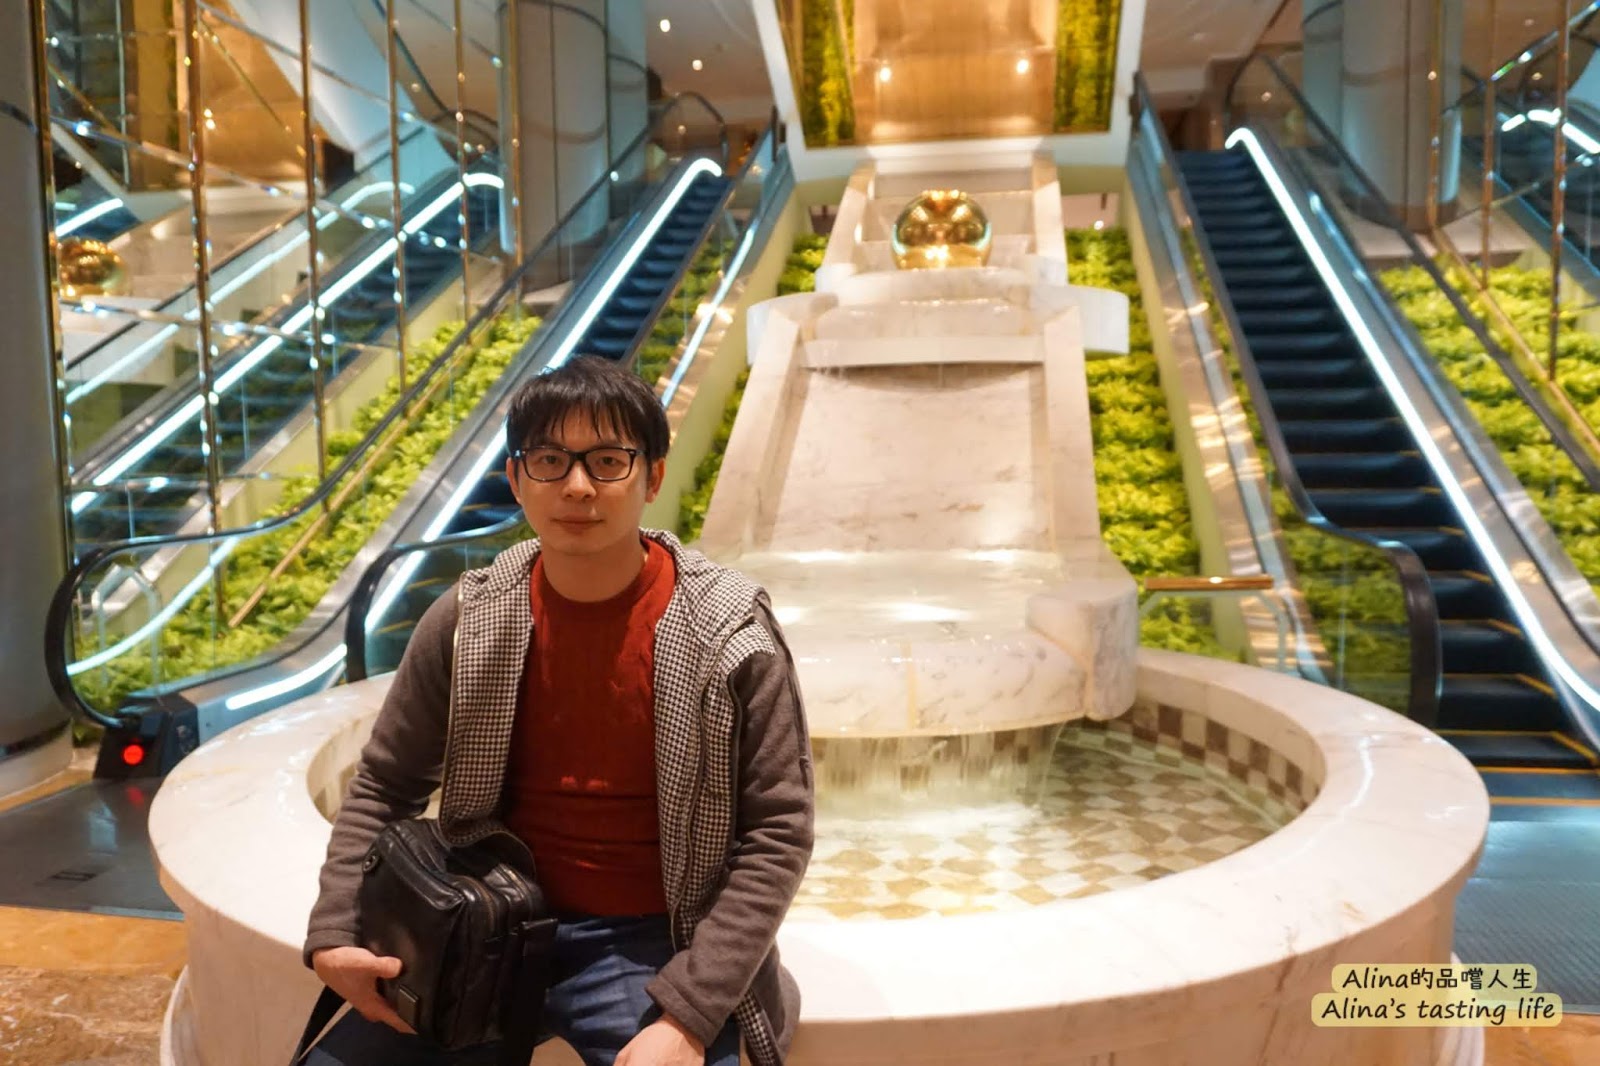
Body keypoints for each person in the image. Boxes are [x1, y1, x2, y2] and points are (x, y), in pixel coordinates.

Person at [302, 355, 815, 1066]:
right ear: (517, 480)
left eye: (607, 461)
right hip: (487, 917)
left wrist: (690, 1014)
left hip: (656, 938)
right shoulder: (470, 617)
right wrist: (335, 929)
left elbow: (778, 833)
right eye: (549, 460)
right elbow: (387, 783)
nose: (577, 486)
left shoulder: (729, 631)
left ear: (652, 477)